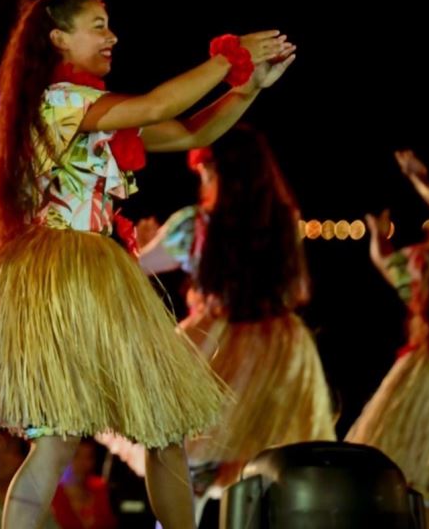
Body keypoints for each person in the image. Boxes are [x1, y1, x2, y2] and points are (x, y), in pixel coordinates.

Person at [0, 0, 296, 528]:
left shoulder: (96, 109)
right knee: (61, 440)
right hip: (66, 271)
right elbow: (159, 104)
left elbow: (189, 131)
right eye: (97, 26)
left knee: (163, 429)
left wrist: (247, 89)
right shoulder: (60, 101)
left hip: (96, 269)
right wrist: (229, 59)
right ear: (58, 38)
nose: (112, 37)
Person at [124, 125, 335, 525]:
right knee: (262, 466)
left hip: (217, 343)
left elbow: (134, 270)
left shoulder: (196, 225)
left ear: (217, 171)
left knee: (188, 462)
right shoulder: (283, 220)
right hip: (280, 349)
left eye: (205, 172)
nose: (202, 180)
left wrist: (140, 245)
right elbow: (294, 290)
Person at [348, 149, 429, 528]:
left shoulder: (427, 262)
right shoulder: (428, 262)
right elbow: (389, 264)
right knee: (427, 484)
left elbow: (385, 261)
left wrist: (380, 238)